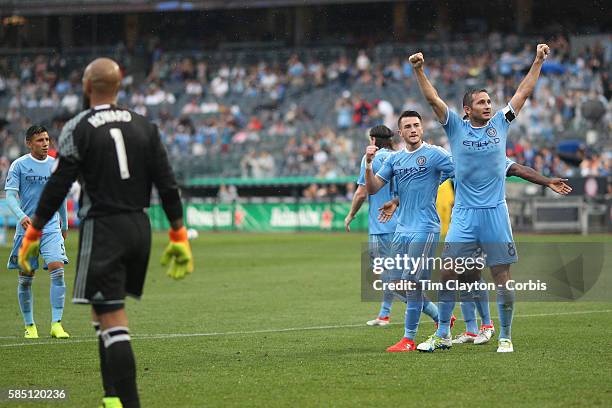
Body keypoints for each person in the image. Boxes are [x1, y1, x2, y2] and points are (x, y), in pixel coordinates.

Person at [18, 58, 194, 408]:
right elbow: (167, 184)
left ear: (87, 86)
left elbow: (59, 184)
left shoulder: (78, 127)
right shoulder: (145, 126)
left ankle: (127, 403)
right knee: (102, 312)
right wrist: (178, 234)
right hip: (139, 226)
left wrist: (34, 230)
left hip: (104, 227)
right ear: (119, 84)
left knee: (113, 320)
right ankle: (110, 397)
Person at [409, 44, 550, 353]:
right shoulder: (455, 127)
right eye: (481, 102)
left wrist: (537, 61)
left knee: (502, 277)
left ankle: (505, 336)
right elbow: (432, 99)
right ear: (467, 109)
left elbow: (523, 93)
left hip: (495, 213)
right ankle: (443, 334)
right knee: (448, 273)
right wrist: (419, 69)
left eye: (489, 101)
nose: (488, 106)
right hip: (464, 214)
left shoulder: (501, 121)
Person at [379, 158, 572, 344]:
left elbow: (518, 169)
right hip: (463, 220)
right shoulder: (455, 159)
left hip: (488, 219)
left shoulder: (490, 153)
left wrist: (547, 181)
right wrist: (397, 201)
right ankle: (471, 328)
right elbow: (428, 184)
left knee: (473, 273)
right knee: (461, 273)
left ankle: (487, 325)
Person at [364, 111, 455, 352]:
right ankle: (442, 319)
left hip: (425, 229)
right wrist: (369, 164)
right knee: (395, 284)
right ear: (400, 132)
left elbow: (462, 172)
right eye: (408, 126)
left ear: (422, 129)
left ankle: (409, 338)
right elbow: (372, 189)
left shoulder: (435, 155)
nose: (413, 129)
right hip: (401, 229)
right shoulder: (394, 160)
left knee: (412, 283)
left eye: (417, 125)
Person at [346, 124, 440, 328]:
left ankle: (436, 315)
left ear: (372, 140)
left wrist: (351, 214)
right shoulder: (400, 157)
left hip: (381, 226)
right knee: (396, 278)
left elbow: (363, 192)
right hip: (403, 225)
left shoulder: (371, 159)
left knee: (391, 279)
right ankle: (385, 314)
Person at [5, 125, 69, 339]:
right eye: (40, 140)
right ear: (29, 143)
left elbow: (59, 197)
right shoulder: (19, 166)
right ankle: (30, 325)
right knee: (26, 278)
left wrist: (65, 224)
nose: (45, 144)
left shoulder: (55, 165)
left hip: (51, 226)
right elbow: (11, 196)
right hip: (28, 229)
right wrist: (22, 216)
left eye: (47, 139)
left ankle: (56, 324)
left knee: (57, 268)